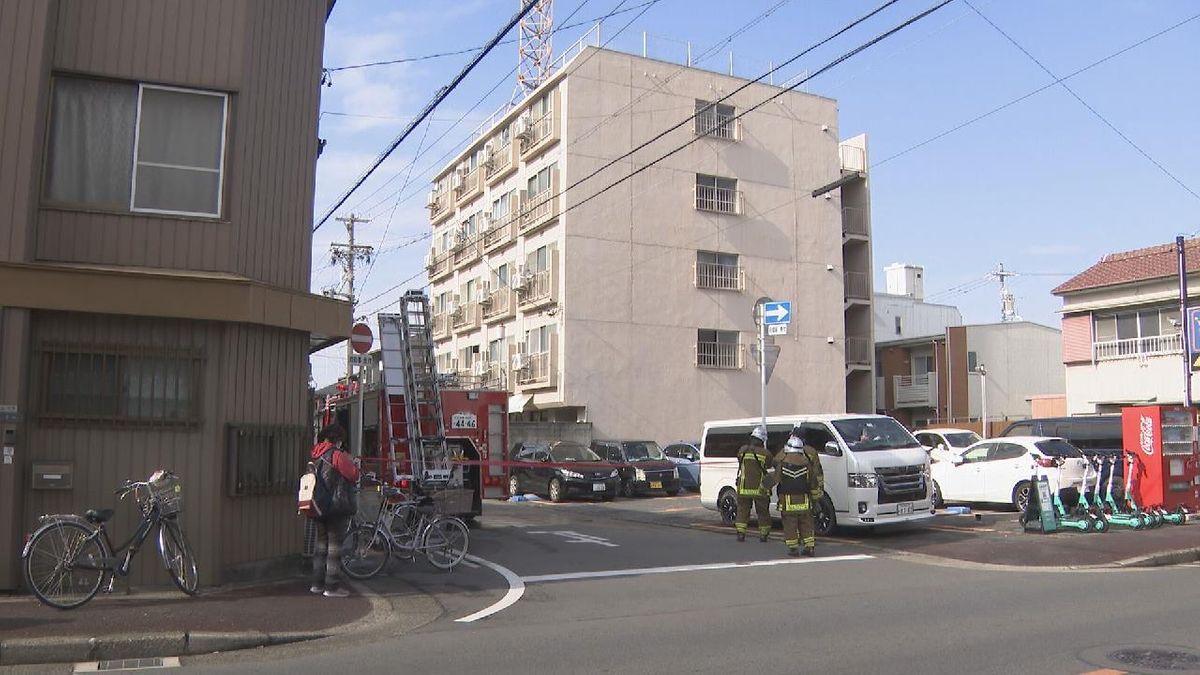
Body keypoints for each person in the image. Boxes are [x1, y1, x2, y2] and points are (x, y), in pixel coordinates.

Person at [310, 424, 360, 597]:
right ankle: (331, 587)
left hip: (317, 505)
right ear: (337, 440)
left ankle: (316, 584)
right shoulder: (336, 455)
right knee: (334, 547)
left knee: (320, 546)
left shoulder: (315, 453)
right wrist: (353, 463)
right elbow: (353, 474)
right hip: (335, 505)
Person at [775, 428, 825, 557]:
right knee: (807, 523)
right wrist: (817, 497)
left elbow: (775, 468)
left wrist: (764, 487)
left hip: (788, 500)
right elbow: (816, 476)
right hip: (805, 498)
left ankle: (793, 549)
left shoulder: (784, 456)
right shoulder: (811, 455)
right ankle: (810, 547)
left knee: (790, 524)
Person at [735, 426, 775, 542]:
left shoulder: (742, 450)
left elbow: (739, 461)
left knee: (742, 510)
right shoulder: (765, 453)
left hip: (743, 487)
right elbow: (768, 465)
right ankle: (763, 534)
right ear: (762, 440)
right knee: (763, 512)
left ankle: (741, 533)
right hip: (760, 488)